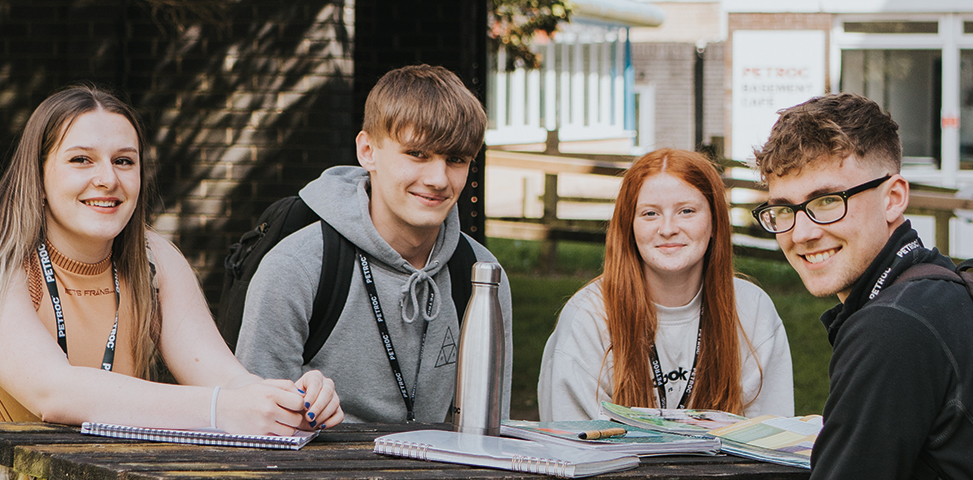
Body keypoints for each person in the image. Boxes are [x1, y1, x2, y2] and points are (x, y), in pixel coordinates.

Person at [0, 85, 343, 434]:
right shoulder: (7, 260)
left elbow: (226, 380)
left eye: (123, 161)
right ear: (39, 176)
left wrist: (290, 401)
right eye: (81, 160)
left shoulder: (153, 258)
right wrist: (219, 409)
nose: (107, 179)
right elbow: (54, 392)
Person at [752, 93, 973, 478]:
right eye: (782, 210)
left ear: (893, 199)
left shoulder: (892, 329)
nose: (802, 233)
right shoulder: (940, 289)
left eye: (827, 201)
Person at [235, 64, 512, 424]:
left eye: (456, 159)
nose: (438, 179)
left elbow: (491, 428)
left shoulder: (481, 277)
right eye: (418, 154)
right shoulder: (296, 267)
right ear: (367, 150)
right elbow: (259, 431)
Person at [538, 148, 793, 421]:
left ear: (715, 221)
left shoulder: (753, 311)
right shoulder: (588, 318)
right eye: (650, 214)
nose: (668, 228)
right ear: (629, 226)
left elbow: (768, 439)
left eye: (686, 211)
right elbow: (576, 445)